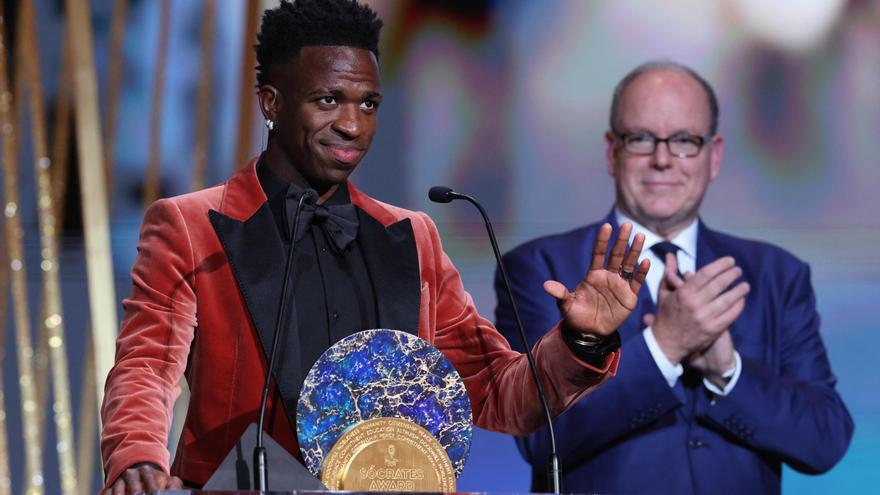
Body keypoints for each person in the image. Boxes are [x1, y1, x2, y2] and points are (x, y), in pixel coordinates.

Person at [99, 1, 651, 493]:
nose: (352, 125)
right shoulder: (192, 225)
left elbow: (497, 393)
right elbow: (147, 365)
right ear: (271, 102)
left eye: (368, 104)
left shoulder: (412, 237)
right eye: (328, 100)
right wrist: (136, 457)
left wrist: (582, 339)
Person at [495, 61, 853, 494]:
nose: (662, 159)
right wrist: (664, 346)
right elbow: (535, 436)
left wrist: (728, 371)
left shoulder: (778, 274)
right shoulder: (538, 268)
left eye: (684, 140)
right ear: (612, 151)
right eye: (641, 139)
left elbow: (824, 441)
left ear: (714, 155)